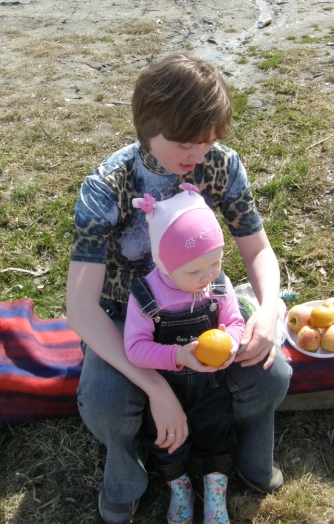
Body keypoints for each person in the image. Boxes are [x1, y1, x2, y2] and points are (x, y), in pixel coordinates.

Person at [65, 53, 291, 524]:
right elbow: (82, 310)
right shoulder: (107, 187)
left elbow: (258, 250)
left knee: (270, 375)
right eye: (186, 143)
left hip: (206, 307)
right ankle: (126, 476)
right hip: (126, 317)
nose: (199, 156)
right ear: (147, 128)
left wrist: (269, 310)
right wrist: (154, 386)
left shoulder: (221, 166)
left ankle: (248, 455)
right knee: (106, 404)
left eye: (208, 142)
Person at [125, 184, 244, 524]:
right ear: (164, 263)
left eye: (215, 263)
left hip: (210, 385)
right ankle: (180, 489)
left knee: (216, 430)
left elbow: (236, 323)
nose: (207, 276)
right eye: (194, 271)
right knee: (166, 439)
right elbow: (134, 348)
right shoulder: (147, 296)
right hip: (168, 385)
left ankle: (215, 492)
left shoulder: (217, 284)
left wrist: (230, 342)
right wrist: (177, 355)